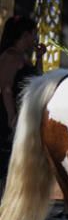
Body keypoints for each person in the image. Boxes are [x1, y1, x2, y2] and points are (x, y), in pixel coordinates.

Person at [0, 15, 45, 183]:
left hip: (20, 115)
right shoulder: (12, 56)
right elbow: (6, 88)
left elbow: (37, 78)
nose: (36, 38)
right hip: (7, 117)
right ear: (25, 35)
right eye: (34, 34)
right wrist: (12, 118)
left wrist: (39, 57)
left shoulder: (23, 57)